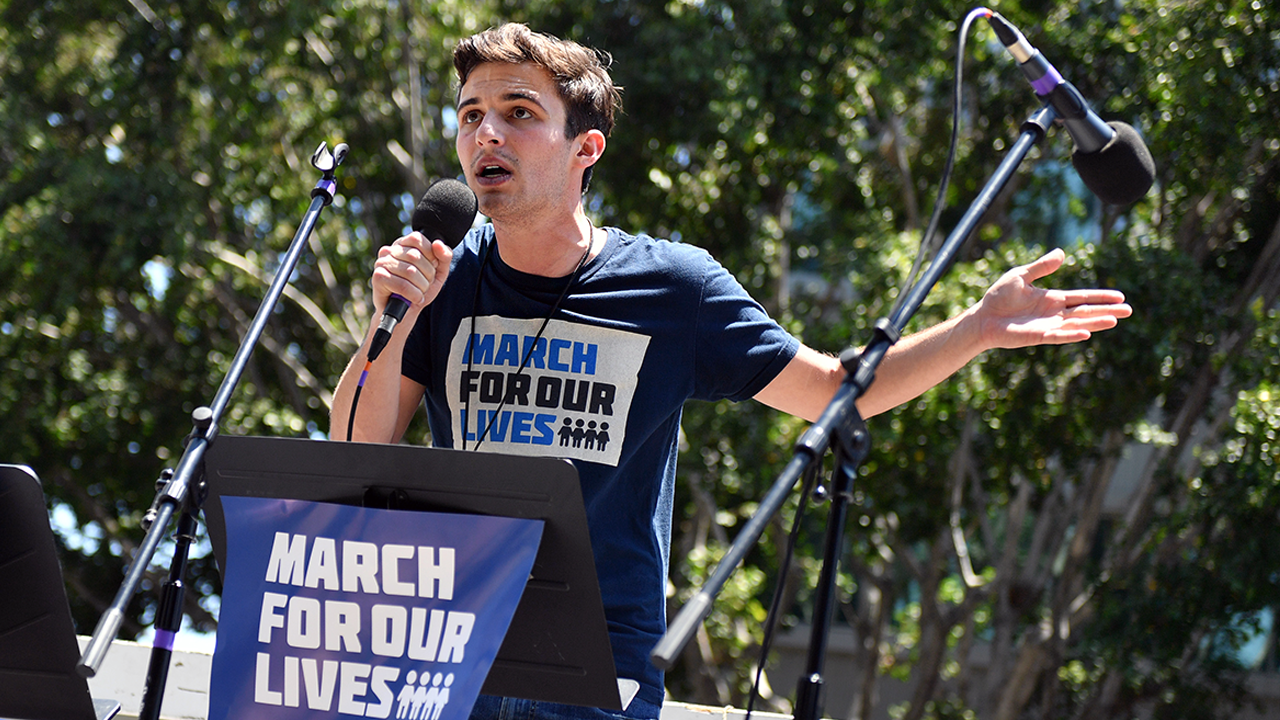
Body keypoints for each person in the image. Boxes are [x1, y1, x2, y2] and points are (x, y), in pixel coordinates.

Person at [330, 22, 1132, 720]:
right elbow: (355, 449)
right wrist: (389, 316)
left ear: (586, 149)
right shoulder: (442, 276)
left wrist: (976, 329)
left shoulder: (672, 286)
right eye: (471, 116)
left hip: (589, 679)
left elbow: (833, 391)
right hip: (444, 654)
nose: (485, 136)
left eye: (518, 114)